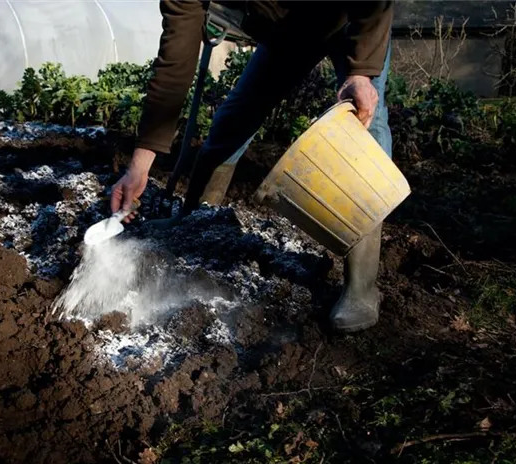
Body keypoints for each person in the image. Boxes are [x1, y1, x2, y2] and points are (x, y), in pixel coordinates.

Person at [110, 0, 394, 333]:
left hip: (350, 22)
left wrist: (361, 72)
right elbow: (175, 60)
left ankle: (362, 286)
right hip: (288, 32)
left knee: (364, 124)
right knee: (233, 121)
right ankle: (195, 222)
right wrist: (139, 167)